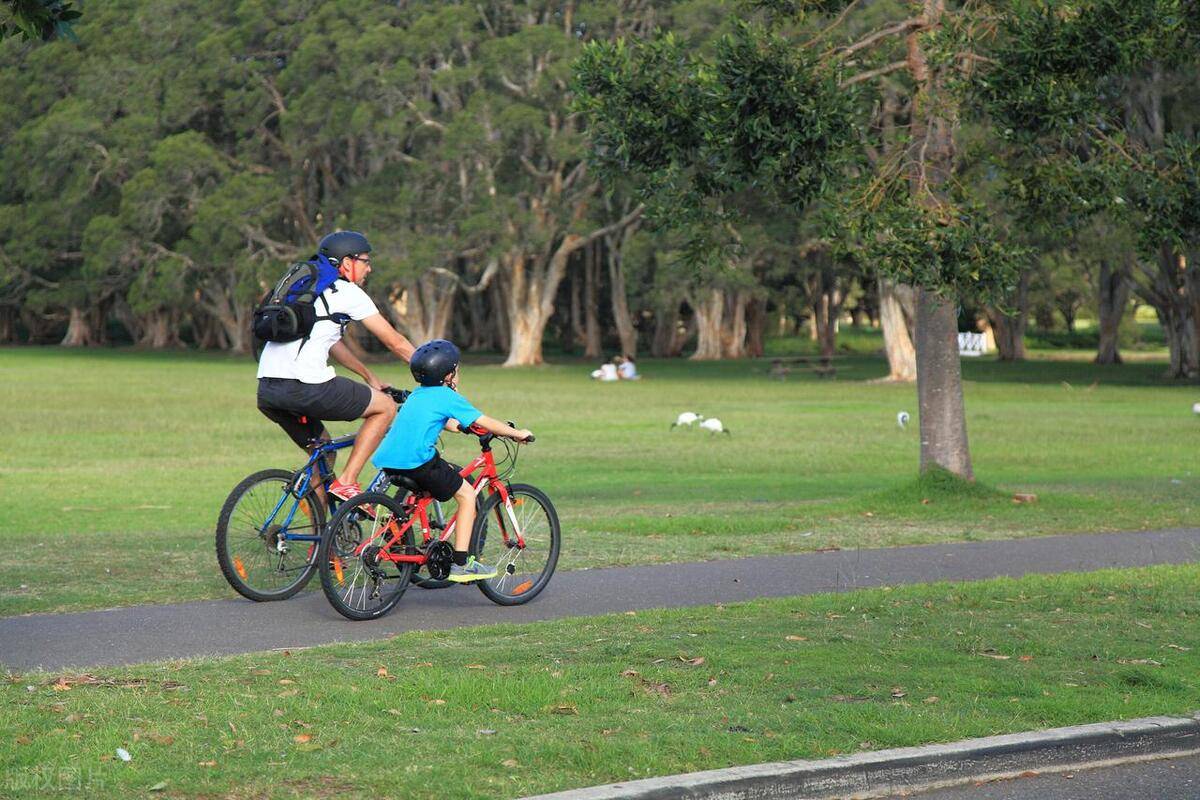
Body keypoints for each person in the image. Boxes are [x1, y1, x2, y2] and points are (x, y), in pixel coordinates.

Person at [256, 230, 416, 505]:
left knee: (323, 455)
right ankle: (348, 482)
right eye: (365, 260)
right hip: (306, 386)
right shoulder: (347, 292)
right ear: (346, 262)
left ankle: (320, 544)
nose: (369, 267)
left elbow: (331, 344)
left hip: (269, 390)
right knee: (385, 408)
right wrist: (440, 373)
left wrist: (369, 376)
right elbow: (396, 342)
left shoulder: (306, 292)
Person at [372, 339, 533, 582]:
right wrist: (516, 433)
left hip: (389, 462)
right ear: (448, 374)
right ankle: (461, 564)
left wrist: (461, 426)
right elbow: (484, 420)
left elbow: (444, 421)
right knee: (467, 496)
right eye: (456, 370)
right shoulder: (446, 396)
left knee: (433, 482)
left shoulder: (418, 395)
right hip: (418, 462)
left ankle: (398, 527)